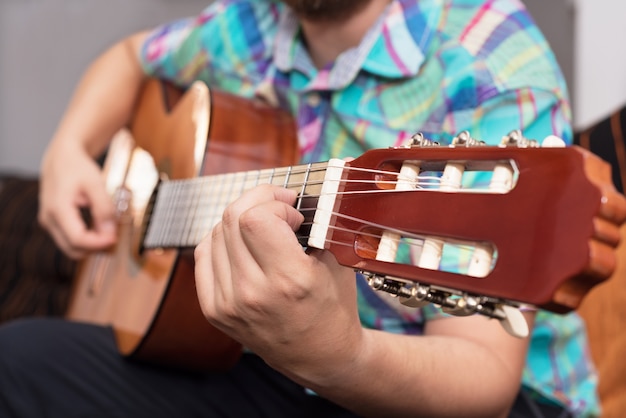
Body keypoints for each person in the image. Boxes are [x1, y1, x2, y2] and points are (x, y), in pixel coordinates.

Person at [0, 0, 603, 417]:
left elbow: (484, 381)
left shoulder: (490, 64)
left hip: (441, 385)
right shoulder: (256, 21)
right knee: (17, 364)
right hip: (274, 363)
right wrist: (68, 150)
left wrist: (341, 355)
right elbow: (132, 57)